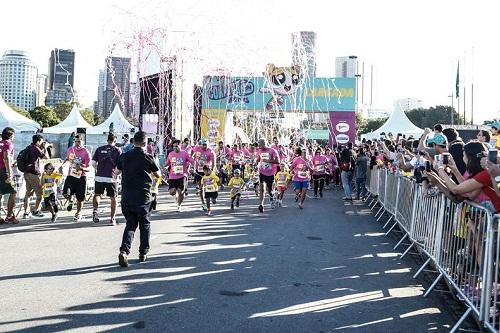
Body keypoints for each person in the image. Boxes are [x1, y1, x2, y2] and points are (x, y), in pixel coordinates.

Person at [115, 131, 161, 267]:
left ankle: (124, 251)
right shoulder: (148, 157)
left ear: (133, 142)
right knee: (145, 225)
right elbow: (157, 175)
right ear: (145, 143)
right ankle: (143, 253)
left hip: (127, 196)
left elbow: (116, 171)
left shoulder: (124, 156)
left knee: (130, 224)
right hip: (143, 197)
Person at [92, 133, 122, 225]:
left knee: (97, 194)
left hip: (99, 176)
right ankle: (112, 219)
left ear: (107, 140)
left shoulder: (99, 149)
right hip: (111, 177)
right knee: (113, 198)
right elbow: (120, 165)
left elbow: (93, 163)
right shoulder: (118, 150)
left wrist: (98, 169)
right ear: (115, 141)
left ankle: (95, 211)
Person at [60, 135, 91, 221]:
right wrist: (62, 166)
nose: (77, 144)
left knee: (80, 198)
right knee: (65, 193)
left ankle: (78, 213)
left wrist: (81, 168)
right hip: (71, 175)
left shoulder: (86, 152)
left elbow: (89, 168)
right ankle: (71, 200)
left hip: (81, 177)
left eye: (79, 142)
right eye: (76, 141)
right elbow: (68, 159)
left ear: (82, 142)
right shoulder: (70, 149)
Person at [22, 134, 49, 219]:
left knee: (28, 193)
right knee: (40, 193)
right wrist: (45, 147)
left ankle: (26, 213)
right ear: (38, 141)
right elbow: (46, 157)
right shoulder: (35, 148)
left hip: (26, 173)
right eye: (41, 141)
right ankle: (36, 211)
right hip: (33, 173)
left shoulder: (29, 147)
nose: (42, 143)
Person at [166, 139, 194, 212]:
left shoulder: (185, 153)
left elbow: (192, 161)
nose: (175, 148)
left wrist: (193, 166)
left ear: (180, 145)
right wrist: (164, 167)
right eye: (174, 146)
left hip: (182, 175)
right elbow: (167, 163)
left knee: (180, 192)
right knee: (172, 192)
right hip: (172, 175)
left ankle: (179, 205)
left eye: (176, 146)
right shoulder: (170, 154)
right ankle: (177, 197)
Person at [256, 138, 280, 212]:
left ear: (264, 143)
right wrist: (255, 163)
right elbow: (258, 159)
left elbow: (278, 161)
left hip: (270, 173)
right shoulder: (259, 150)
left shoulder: (272, 150)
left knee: (270, 190)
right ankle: (261, 205)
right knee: (262, 189)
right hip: (262, 172)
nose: (259, 146)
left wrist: (268, 161)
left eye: (260, 144)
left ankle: (272, 197)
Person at [0, 127, 18, 224]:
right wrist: (10, 172)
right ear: (10, 135)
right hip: (3, 170)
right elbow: (6, 157)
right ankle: (9, 216)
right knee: (13, 192)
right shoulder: (8, 143)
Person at [192, 139, 216, 206]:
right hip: (199, 170)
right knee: (201, 187)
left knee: (209, 185)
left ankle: (213, 196)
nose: (204, 146)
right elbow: (192, 155)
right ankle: (203, 202)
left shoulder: (211, 151)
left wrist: (212, 170)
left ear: (208, 145)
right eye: (203, 145)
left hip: (207, 171)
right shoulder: (198, 148)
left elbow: (214, 163)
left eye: (205, 145)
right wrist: (192, 166)